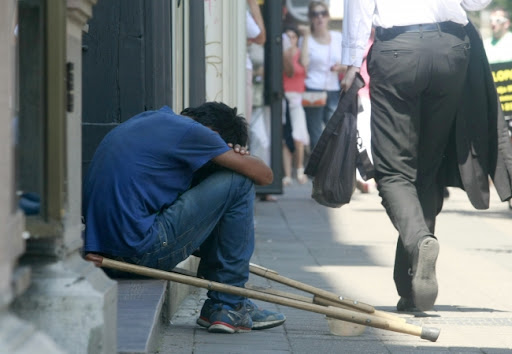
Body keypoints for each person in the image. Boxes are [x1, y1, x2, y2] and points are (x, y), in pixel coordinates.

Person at [341, 0, 495, 312]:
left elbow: (358, 7)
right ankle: (410, 288)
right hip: (452, 50)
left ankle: (419, 241)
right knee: (427, 169)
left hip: (398, 51)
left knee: (393, 171)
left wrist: (351, 62)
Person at [82, 102, 286, 333]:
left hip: (102, 253)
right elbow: (265, 176)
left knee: (217, 180)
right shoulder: (195, 132)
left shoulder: (149, 120)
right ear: (214, 134)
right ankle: (228, 304)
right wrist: (238, 158)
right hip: (140, 252)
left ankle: (230, 299)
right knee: (238, 181)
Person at [300, 1, 345, 150]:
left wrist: (340, 67)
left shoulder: (337, 37)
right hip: (313, 89)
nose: (320, 18)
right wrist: (306, 36)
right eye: (315, 14)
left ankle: (332, 169)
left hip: (333, 89)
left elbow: (348, 64)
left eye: (323, 14)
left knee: (334, 131)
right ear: (311, 18)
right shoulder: (307, 39)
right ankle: (316, 172)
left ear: (328, 17)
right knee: (315, 133)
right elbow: (303, 62)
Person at [282, 26, 310, 186]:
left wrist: (305, 37)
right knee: (286, 138)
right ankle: (287, 174)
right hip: (285, 97)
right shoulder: (283, 55)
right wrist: (286, 53)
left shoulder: (300, 53)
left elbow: (305, 63)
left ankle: (299, 169)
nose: (291, 40)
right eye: (288, 37)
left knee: (298, 136)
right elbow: (290, 72)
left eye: (293, 37)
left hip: (297, 98)